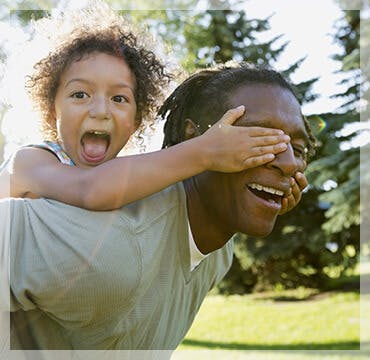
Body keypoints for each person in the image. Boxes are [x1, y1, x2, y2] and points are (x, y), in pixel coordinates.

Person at [0, 63, 313, 353]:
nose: (287, 164)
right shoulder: (110, 246)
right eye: (257, 139)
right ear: (196, 138)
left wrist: (263, 197)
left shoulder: (218, 251)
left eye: (297, 149)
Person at [0, 4, 290, 211]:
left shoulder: (127, 176)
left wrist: (267, 193)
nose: (100, 110)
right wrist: (205, 151)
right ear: (52, 111)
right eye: (79, 94)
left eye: (119, 98)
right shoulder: (29, 162)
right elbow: (89, 189)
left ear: (136, 121)